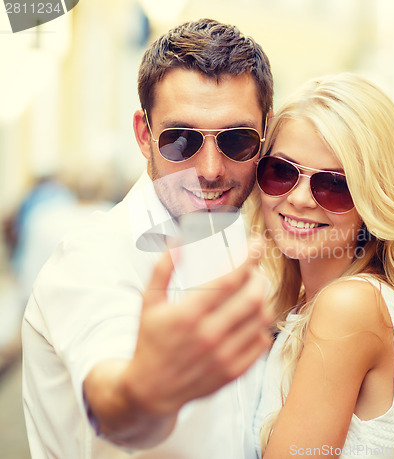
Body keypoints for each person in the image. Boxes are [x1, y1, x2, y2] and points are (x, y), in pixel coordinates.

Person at [22, 18, 274, 458]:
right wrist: (146, 393)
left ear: (265, 132)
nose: (211, 169)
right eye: (181, 140)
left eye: (236, 140)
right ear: (144, 134)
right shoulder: (91, 259)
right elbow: (115, 402)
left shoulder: (245, 242)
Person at [250, 74, 394, 458]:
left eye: (334, 184)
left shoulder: (348, 306)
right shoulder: (315, 300)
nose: (301, 198)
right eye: (281, 171)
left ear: (375, 199)